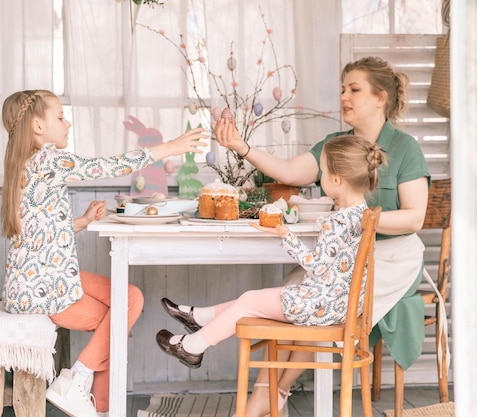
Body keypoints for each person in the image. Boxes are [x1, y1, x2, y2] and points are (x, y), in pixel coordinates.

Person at [214, 56, 430, 417]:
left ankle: (266, 398)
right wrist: (241, 147)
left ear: (381, 98)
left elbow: (414, 218)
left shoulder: (406, 147)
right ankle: (268, 397)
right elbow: (289, 172)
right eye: (343, 89)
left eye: (354, 89)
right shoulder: (336, 143)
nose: (344, 96)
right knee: (296, 291)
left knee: (318, 298)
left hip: (393, 258)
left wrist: (360, 221)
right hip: (344, 257)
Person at [0, 89, 207, 417]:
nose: (67, 123)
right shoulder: (49, 158)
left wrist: (81, 221)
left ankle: (97, 404)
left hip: (42, 282)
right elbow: (107, 166)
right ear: (37, 126)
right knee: (121, 317)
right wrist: (171, 147)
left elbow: (39, 231)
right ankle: (82, 384)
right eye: (59, 117)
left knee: (128, 302)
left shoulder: (24, 163)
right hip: (46, 292)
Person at [156, 135, 386, 415]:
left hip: (321, 306)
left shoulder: (338, 221)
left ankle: (194, 344)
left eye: (322, 173)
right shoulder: (361, 213)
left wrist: (285, 234)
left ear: (336, 180)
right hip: (341, 305)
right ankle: (198, 319)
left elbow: (317, 267)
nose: (319, 178)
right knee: (252, 300)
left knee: (251, 300)